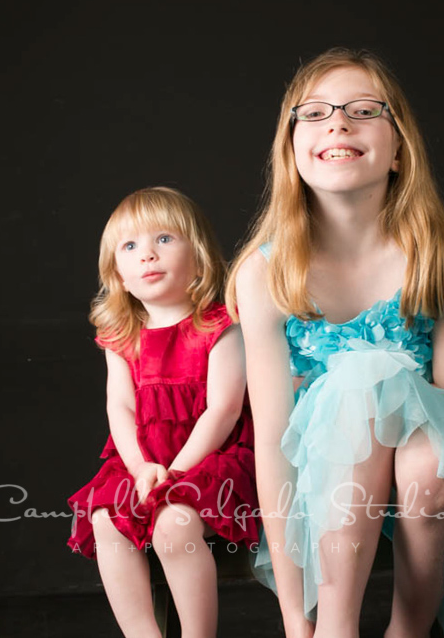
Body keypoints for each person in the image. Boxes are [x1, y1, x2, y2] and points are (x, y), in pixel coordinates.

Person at [226, 48, 444, 638]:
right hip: (321, 468)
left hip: (430, 446)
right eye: (316, 112)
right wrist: (295, 622)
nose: (338, 123)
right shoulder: (264, 274)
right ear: (291, 148)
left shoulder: (437, 247)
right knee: (353, 390)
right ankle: (335, 629)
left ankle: (409, 629)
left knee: (429, 464)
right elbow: (275, 446)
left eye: (363, 110)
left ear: (399, 148)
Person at [67, 186, 258, 638]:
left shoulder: (219, 324)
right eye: (130, 247)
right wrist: (139, 467)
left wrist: (176, 471)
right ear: (117, 272)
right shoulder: (121, 334)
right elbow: (120, 406)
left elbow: (224, 410)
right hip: (144, 462)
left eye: (164, 240)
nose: (147, 255)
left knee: (174, 524)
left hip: (211, 459)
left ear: (199, 255)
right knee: (104, 520)